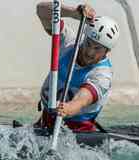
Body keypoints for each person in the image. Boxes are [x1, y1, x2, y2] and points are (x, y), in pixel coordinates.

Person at [35, 2, 120, 133]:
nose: (90, 52)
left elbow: (82, 100)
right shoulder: (69, 43)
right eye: (89, 43)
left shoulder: (102, 75)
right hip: (45, 122)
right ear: (84, 37)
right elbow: (42, 11)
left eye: (97, 48)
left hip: (77, 133)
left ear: (107, 51)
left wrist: (67, 108)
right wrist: (73, 12)